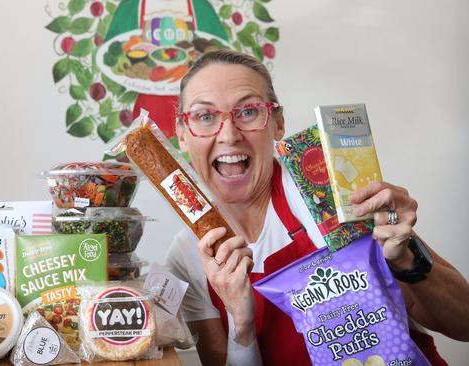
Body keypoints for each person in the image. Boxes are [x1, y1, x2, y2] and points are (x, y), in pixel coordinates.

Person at [165, 49, 469, 366]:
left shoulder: (328, 190)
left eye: (248, 112)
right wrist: (241, 325)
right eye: (205, 116)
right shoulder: (189, 254)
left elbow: (464, 323)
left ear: (278, 123)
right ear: (183, 135)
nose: (228, 135)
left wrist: (405, 259)